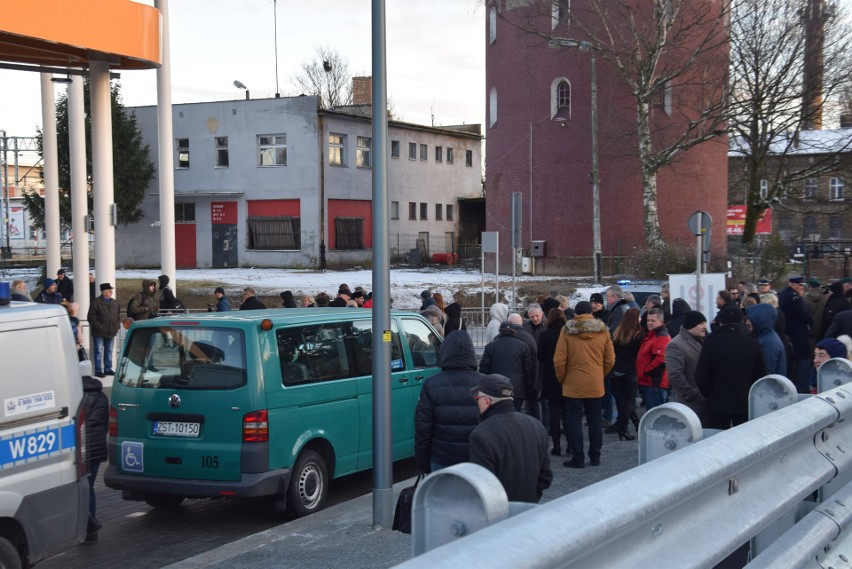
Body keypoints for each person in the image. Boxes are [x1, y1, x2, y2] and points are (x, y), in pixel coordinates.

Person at [468, 374, 553, 503]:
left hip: (498, 512)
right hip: (529, 507)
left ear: (486, 401)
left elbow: (483, 486)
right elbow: (545, 476)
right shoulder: (536, 425)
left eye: (477, 398)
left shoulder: (481, 434)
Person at [553, 301, 615, 468]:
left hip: (573, 383)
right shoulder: (603, 331)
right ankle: (595, 457)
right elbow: (610, 358)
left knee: (573, 421)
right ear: (591, 313)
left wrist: (563, 378)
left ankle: (578, 458)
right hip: (595, 383)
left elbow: (559, 360)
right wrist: (600, 374)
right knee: (595, 421)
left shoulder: (566, 331)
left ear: (575, 314)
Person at [414, 330, 483, 473]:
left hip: (443, 458)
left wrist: (423, 462)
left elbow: (423, 428)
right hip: (476, 458)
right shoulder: (485, 382)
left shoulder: (431, 384)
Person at [696, 306, 766, 429]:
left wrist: (709, 394)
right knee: (743, 440)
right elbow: (760, 375)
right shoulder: (752, 343)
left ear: (721, 322)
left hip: (717, 403)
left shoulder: (711, 342)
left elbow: (701, 375)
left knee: (717, 440)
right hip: (744, 402)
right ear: (742, 321)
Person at [479, 321, 535, 413]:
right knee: (514, 415)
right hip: (517, 390)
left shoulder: (491, 346)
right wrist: (529, 390)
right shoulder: (523, 346)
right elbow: (528, 370)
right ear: (514, 331)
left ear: (500, 331)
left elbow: (484, 369)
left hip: (496, 389)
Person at [81, 370, 109, 542]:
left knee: (81, 488)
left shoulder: (77, 395)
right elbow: (105, 424)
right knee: (90, 487)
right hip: (98, 447)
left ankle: (87, 525)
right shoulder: (102, 396)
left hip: (82, 449)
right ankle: (91, 530)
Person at [665, 310, 708, 423]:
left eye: (705, 323)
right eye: (701, 323)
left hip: (704, 402)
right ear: (691, 325)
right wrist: (692, 394)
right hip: (690, 404)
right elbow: (675, 375)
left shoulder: (703, 341)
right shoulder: (676, 344)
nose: (704, 326)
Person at [609, 308, 643, 439]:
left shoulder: (617, 333)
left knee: (623, 402)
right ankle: (623, 429)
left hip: (617, 370)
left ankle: (636, 424)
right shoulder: (638, 335)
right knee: (629, 402)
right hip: (631, 372)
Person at [538, 308, 568, 455]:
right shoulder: (569, 334)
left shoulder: (545, 335)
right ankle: (570, 445)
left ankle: (556, 446)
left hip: (551, 376)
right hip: (568, 376)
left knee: (554, 413)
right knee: (569, 413)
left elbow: (541, 357)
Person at [778, 276, 814, 393]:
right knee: (803, 362)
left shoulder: (782, 295)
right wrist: (811, 321)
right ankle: (802, 390)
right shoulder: (794, 298)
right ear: (793, 285)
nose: (801, 288)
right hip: (798, 335)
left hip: (787, 334)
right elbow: (803, 315)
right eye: (800, 285)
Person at [636, 308, 670, 410]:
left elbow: (661, 359)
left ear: (661, 321)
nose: (650, 323)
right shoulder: (651, 335)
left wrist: (646, 371)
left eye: (653, 321)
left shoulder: (661, 336)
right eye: (648, 320)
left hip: (654, 383)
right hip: (648, 382)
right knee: (653, 414)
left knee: (656, 415)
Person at [509, 312, 540, 419]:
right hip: (521, 384)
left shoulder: (498, 338)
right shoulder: (529, 338)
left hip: (503, 384)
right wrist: (532, 384)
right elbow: (532, 364)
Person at [87, 283, 121, 378]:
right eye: (109, 290)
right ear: (104, 292)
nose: (111, 292)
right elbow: (91, 317)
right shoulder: (96, 302)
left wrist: (116, 326)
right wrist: (100, 327)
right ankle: (98, 370)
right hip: (99, 332)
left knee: (109, 350)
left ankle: (108, 369)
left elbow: (118, 316)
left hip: (111, 331)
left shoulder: (115, 303)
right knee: (98, 351)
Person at [746, 303, 787, 377]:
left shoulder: (768, 342)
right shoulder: (766, 337)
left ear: (760, 319)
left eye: (750, 319)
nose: (747, 322)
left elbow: (766, 373)